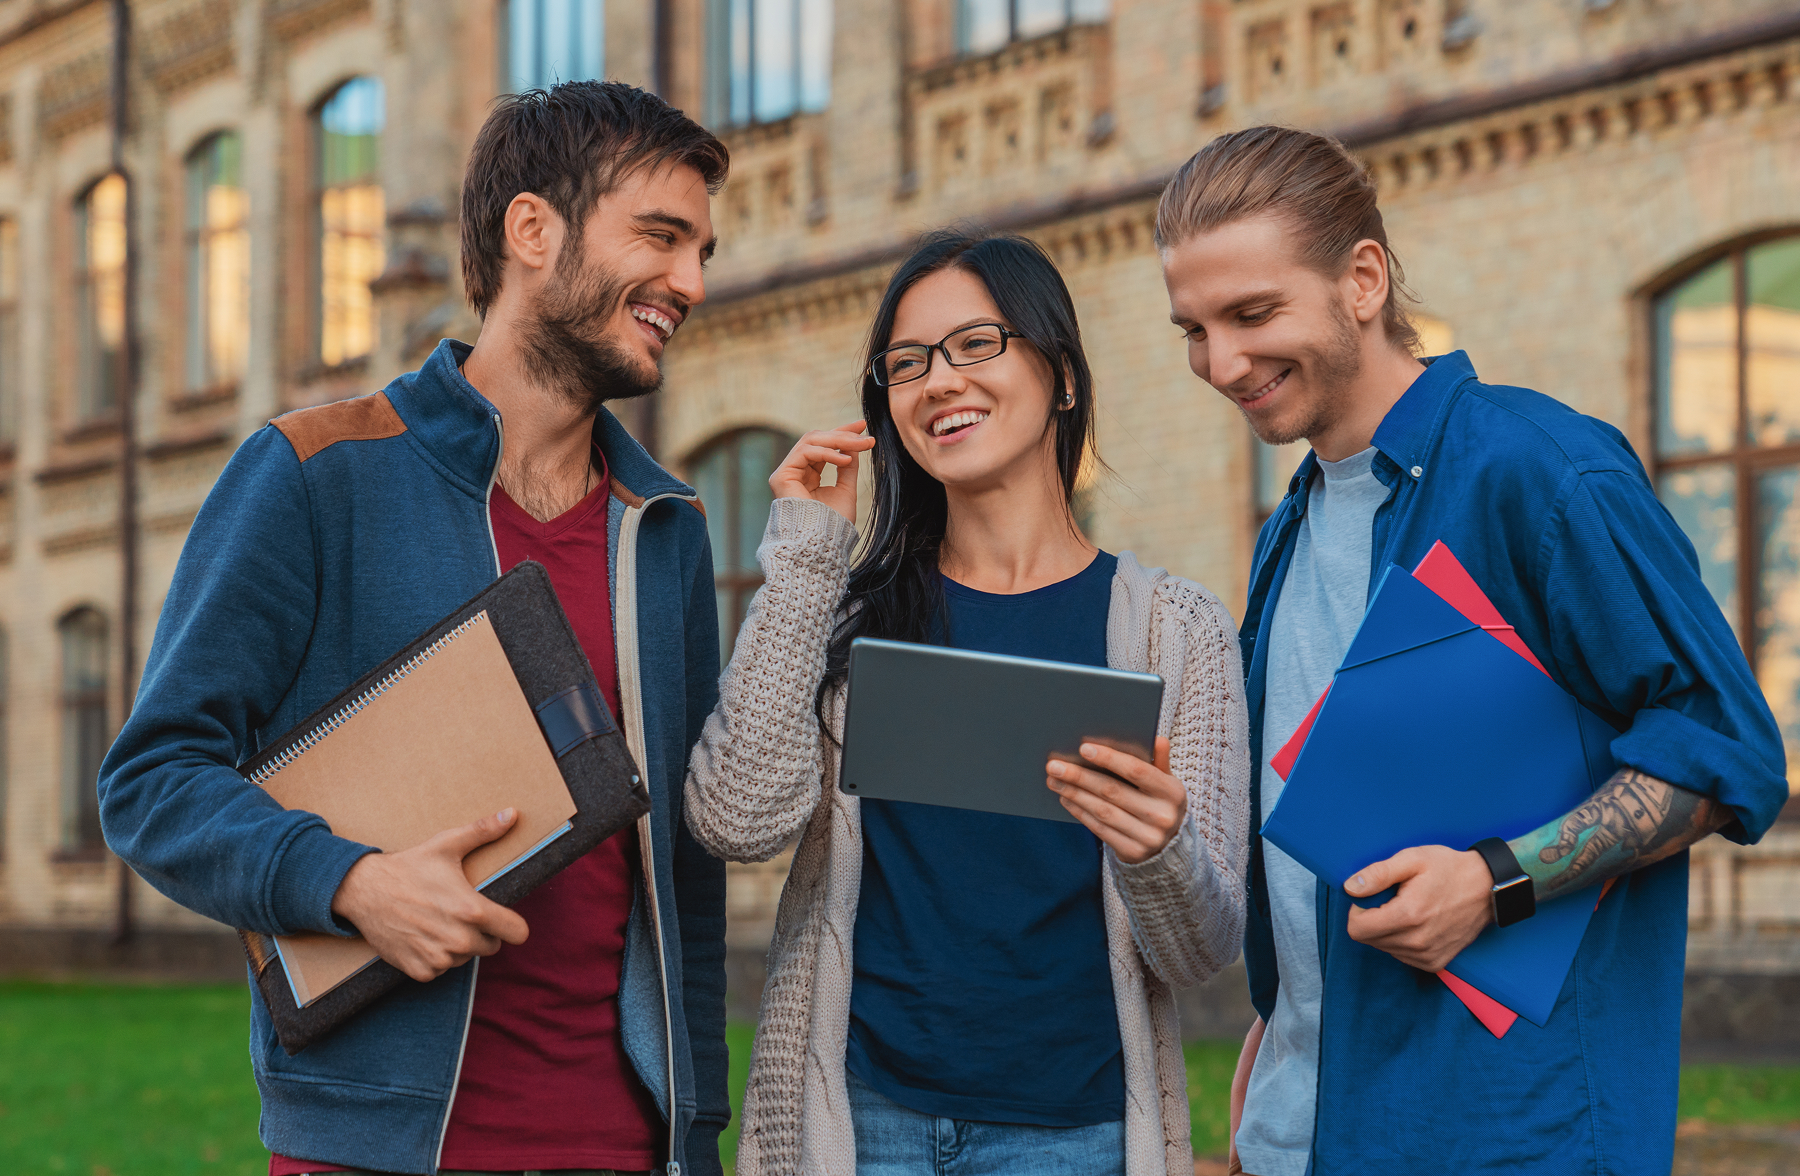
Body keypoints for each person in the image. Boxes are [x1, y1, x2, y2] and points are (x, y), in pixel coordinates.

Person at [98, 82, 732, 1176]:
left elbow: (683, 873)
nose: (691, 282)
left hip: (627, 1147)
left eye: (703, 251)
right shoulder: (314, 474)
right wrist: (348, 883)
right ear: (532, 230)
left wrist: (696, 1128)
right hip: (374, 1148)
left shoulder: (663, 530)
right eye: (662, 238)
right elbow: (152, 780)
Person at [1155, 124, 1789, 1176]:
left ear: (1363, 280)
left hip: (1500, 1130)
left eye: (1253, 314)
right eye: (1194, 328)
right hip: (1304, 1128)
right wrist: (1283, 1027)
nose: (1221, 364)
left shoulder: (1537, 471)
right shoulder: (1288, 529)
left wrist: (1497, 882)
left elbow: (1728, 749)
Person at [683, 229, 1250, 1176]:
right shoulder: (849, 613)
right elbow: (735, 819)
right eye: (907, 363)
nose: (938, 380)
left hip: (1078, 1136)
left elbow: (1202, 951)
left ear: (1061, 377)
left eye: (977, 344)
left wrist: (1160, 849)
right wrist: (804, 561)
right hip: (860, 1122)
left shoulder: (1176, 629)